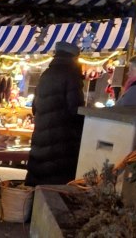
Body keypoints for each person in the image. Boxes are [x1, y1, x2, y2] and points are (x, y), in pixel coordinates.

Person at [25, 41, 84, 187]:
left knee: (38, 183)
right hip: (61, 143)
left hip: (41, 139)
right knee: (56, 185)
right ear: (74, 58)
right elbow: (75, 110)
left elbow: (35, 108)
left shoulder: (46, 74)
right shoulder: (71, 75)